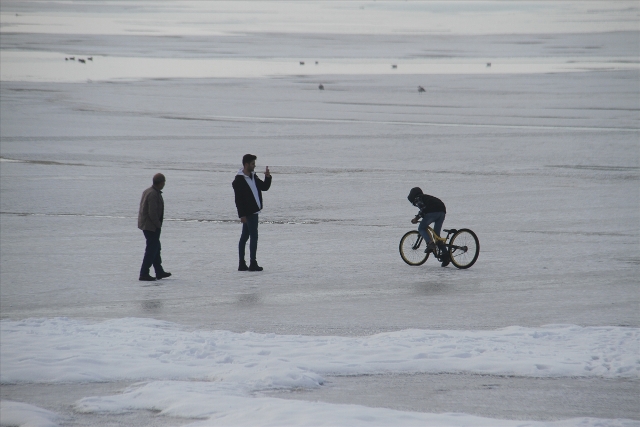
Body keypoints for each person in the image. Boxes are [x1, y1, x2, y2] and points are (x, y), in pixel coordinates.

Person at [233, 154, 272, 271]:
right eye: (252, 164)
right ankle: (252, 263)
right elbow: (238, 200)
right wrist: (242, 215)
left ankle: (242, 264)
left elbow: (264, 187)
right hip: (249, 213)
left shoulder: (253, 176)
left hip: (254, 211)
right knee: (253, 236)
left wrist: (268, 177)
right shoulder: (238, 180)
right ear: (246, 164)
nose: (254, 166)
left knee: (245, 236)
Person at [138, 173, 171, 281]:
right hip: (151, 227)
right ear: (160, 183)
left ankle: (159, 271)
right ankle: (144, 273)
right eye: (164, 182)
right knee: (151, 250)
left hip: (148, 225)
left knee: (156, 248)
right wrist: (158, 224)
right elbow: (152, 212)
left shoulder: (149, 191)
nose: (164, 184)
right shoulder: (153, 194)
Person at [408, 187, 450, 267]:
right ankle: (445, 255)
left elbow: (423, 209)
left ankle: (430, 243)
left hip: (433, 212)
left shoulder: (418, 198)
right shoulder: (426, 197)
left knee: (421, 228)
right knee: (436, 236)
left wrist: (416, 218)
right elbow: (425, 209)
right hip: (442, 211)